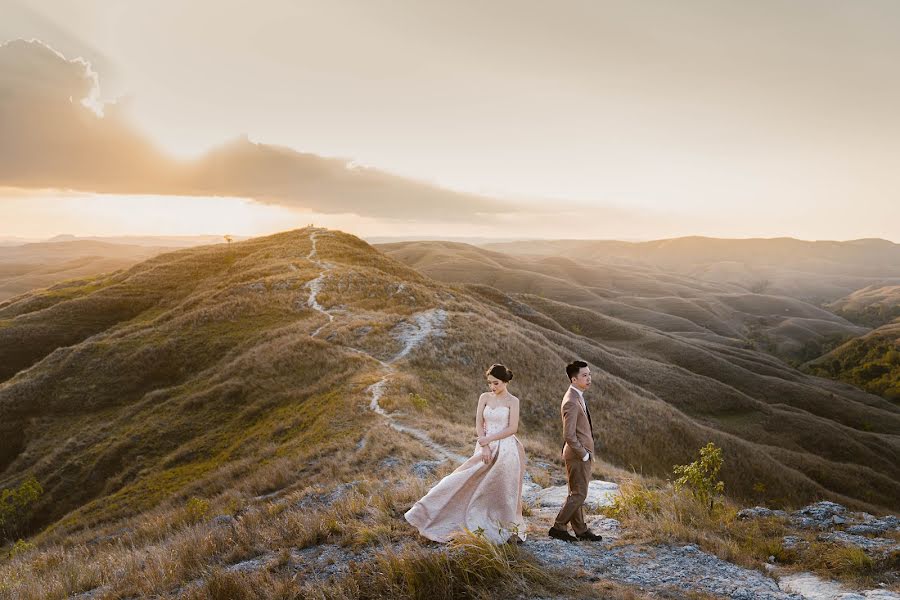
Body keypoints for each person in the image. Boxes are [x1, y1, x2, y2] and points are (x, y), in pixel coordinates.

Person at [404, 364, 527, 544]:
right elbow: (479, 423)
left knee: (501, 489)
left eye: (496, 383)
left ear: (505, 381)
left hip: (506, 449)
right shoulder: (484, 397)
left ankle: (504, 527)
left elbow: (512, 428)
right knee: (462, 478)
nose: (492, 387)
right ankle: (426, 512)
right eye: (490, 383)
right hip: (485, 446)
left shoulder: (513, 401)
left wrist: (490, 439)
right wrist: (484, 444)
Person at [548, 360, 603, 542]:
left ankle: (580, 529)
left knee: (576, 493)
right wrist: (584, 454)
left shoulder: (577, 395)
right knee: (580, 494)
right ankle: (558, 526)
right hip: (577, 455)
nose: (589, 379)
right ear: (573, 379)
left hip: (579, 454)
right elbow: (569, 435)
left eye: (589, 375)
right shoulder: (571, 401)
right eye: (584, 376)